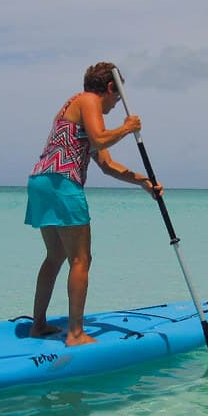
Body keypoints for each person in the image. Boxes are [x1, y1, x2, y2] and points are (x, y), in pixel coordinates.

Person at [24, 62, 161, 346]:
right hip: (63, 182)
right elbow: (100, 137)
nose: (115, 104)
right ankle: (75, 334)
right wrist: (126, 127)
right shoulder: (88, 100)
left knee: (55, 256)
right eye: (117, 98)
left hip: (42, 182)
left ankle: (38, 325)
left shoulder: (74, 109)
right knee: (81, 259)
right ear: (110, 88)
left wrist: (144, 182)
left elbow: (107, 164)